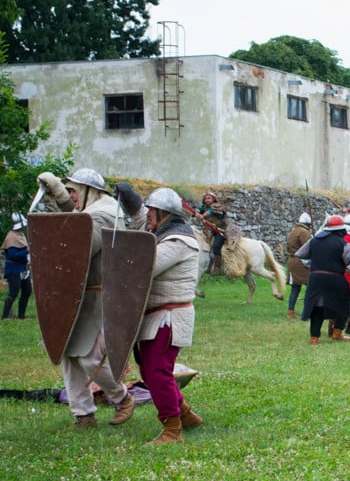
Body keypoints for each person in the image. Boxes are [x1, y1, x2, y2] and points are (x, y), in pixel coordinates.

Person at [35, 169, 138, 428]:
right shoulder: (91, 211)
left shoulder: (105, 213)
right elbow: (76, 222)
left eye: (74, 191)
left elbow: (76, 244)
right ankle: (83, 414)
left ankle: (122, 398)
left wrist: (60, 202)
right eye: (68, 191)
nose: (72, 196)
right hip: (78, 296)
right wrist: (58, 195)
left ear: (90, 191)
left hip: (100, 296)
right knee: (68, 354)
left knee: (89, 357)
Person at [118, 184, 203, 443]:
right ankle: (186, 416)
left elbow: (145, 266)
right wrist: (130, 200)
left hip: (169, 316)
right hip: (158, 314)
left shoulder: (178, 241)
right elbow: (138, 222)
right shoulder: (163, 233)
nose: (148, 216)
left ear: (164, 213)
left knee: (157, 372)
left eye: (152, 211)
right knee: (151, 372)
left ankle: (172, 429)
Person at [296, 215, 350, 343]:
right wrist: (348, 268)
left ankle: (314, 338)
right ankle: (337, 332)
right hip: (335, 278)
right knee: (344, 304)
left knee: (317, 307)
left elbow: (302, 256)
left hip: (315, 278)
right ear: (341, 229)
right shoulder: (343, 243)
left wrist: (315, 266)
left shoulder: (314, 240)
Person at [2, 212, 31, 319]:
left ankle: (21, 316)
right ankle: (4, 317)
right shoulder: (11, 237)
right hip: (14, 269)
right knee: (13, 292)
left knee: (27, 291)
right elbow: (12, 255)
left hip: (23, 268)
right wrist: (26, 251)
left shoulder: (21, 235)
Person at [193, 188, 227, 274]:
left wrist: (202, 216)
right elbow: (198, 208)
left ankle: (217, 268)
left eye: (209, 198)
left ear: (213, 199)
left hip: (221, 231)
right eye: (206, 198)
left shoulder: (217, 206)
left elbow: (211, 211)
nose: (207, 200)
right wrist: (196, 211)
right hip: (211, 231)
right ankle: (207, 267)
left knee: (216, 246)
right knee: (205, 247)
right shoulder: (204, 207)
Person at [285, 212, 312, 319]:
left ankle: (290, 312)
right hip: (301, 262)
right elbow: (308, 248)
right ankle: (307, 312)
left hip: (292, 260)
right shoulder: (304, 232)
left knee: (295, 288)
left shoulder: (293, 231)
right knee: (310, 287)